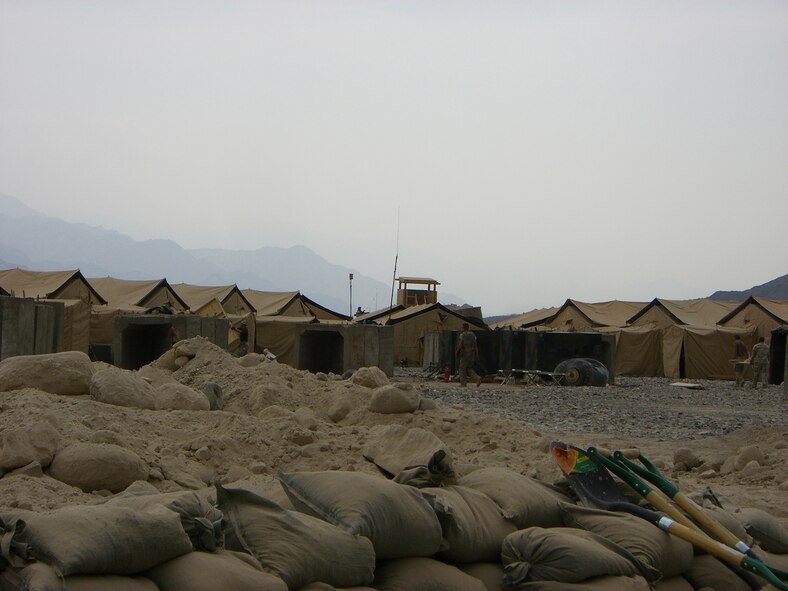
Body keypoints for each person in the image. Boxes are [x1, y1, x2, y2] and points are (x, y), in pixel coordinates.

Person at [455, 322, 482, 387]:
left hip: (464, 354)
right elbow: (475, 346)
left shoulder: (462, 335)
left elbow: (461, 344)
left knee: (462, 369)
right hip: (471, 354)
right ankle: (477, 378)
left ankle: (463, 383)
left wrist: (457, 351)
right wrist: (477, 355)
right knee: (469, 368)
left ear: (463, 328)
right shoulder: (473, 335)